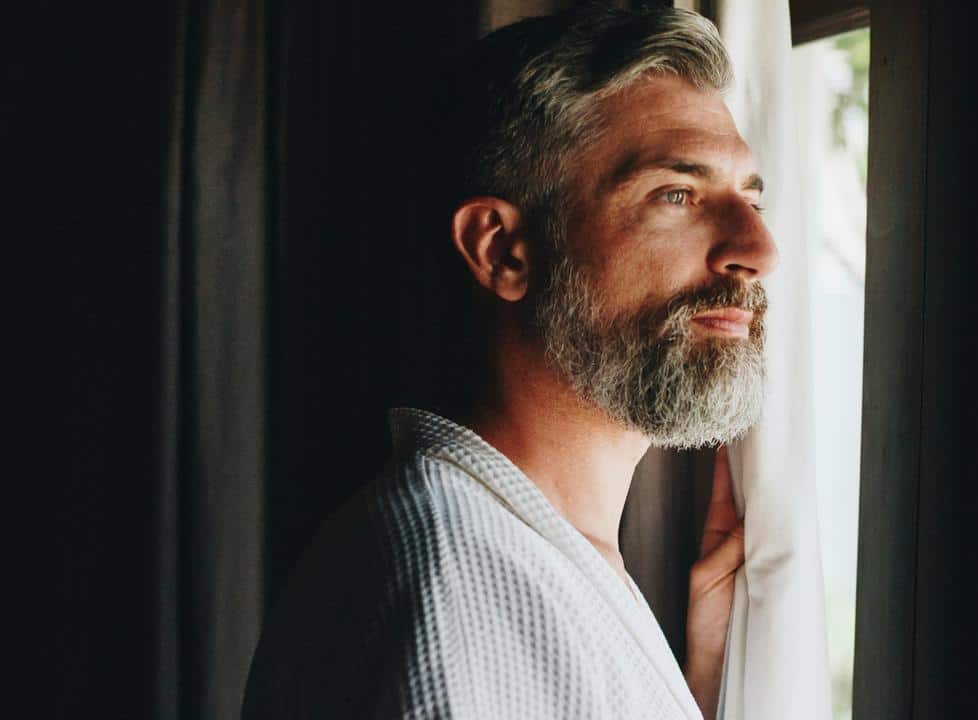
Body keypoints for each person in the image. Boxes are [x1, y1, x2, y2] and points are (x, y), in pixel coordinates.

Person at [242, 5, 776, 719]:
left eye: (749, 197)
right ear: (502, 249)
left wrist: (700, 684)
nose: (758, 248)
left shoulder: (532, 558)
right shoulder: (453, 597)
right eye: (676, 194)